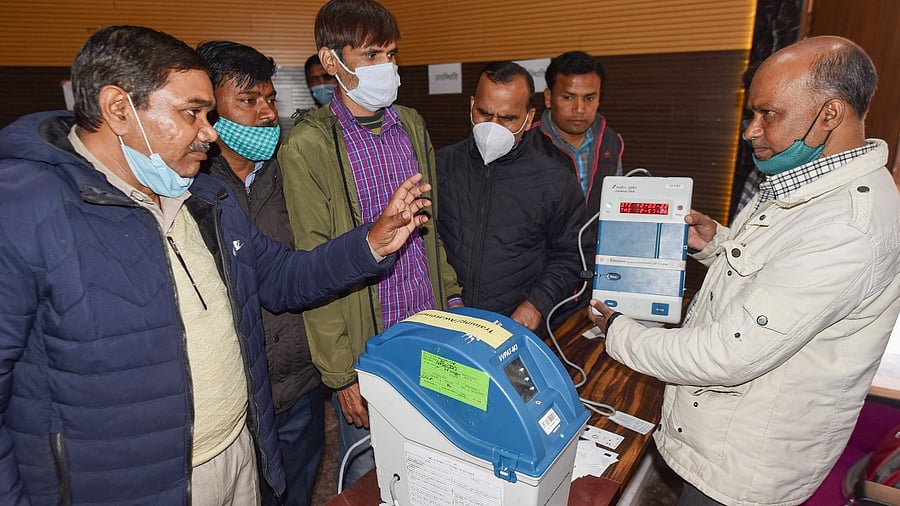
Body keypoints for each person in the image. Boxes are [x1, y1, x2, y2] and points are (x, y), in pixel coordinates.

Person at [0, 25, 435, 505]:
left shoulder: (208, 197)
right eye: (192, 113)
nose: (209, 132)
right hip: (126, 484)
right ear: (119, 109)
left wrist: (371, 242)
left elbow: (284, 280)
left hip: (239, 455)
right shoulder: (25, 211)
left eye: (208, 113)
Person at [589, 36, 900, 506]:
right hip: (726, 438)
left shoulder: (848, 227)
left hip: (743, 472)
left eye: (767, 114)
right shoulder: (806, 177)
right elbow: (775, 269)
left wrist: (617, 331)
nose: (751, 131)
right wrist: (717, 241)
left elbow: (726, 355)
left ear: (830, 114)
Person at [277, 0, 462, 488]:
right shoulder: (310, 144)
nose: (388, 67)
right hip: (368, 347)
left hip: (427, 326)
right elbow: (313, 267)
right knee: (370, 471)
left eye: (392, 53)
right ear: (331, 60)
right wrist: (341, 374)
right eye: (372, 55)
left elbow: (430, 230)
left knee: (433, 460)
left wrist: (453, 300)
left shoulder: (411, 125)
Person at [196, 40, 322, 506]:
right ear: (207, 108)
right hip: (233, 401)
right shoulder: (190, 187)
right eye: (248, 101)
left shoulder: (293, 170)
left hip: (299, 384)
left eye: (270, 99)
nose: (267, 114)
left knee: (299, 489)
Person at [436, 61, 586, 335]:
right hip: (448, 322)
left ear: (529, 119)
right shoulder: (441, 165)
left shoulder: (555, 180)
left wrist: (537, 303)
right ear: (472, 106)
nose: (493, 126)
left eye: (507, 118)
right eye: (484, 113)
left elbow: (571, 256)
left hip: (515, 328)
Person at [523, 50, 624, 219]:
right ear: (548, 97)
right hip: (543, 245)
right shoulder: (526, 144)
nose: (579, 109)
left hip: (594, 244)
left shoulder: (611, 141)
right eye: (568, 97)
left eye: (589, 98)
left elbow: (618, 205)